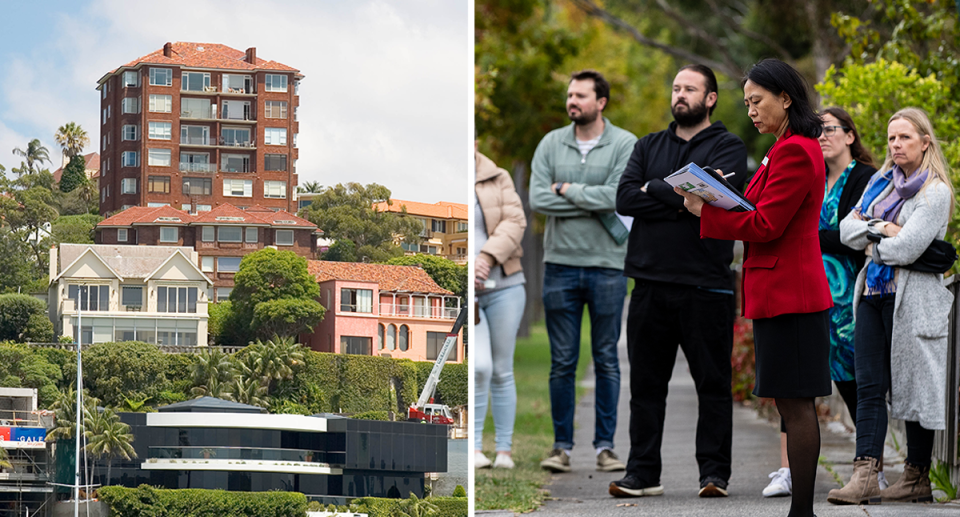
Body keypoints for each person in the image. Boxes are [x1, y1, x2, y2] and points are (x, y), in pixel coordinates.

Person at [674, 58, 834, 517]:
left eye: (757, 101)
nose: (751, 112)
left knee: (796, 405)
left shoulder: (795, 150)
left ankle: (802, 512)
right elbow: (759, 207)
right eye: (746, 103)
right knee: (790, 402)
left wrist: (705, 211)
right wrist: (720, 194)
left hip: (793, 294)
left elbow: (765, 223)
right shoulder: (781, 147)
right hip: (779, 292)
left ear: (785, 97)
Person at [608, 64, 747, 499]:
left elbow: (719, 200)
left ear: (710, 99)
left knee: (713, 385)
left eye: (690, 88)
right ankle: (642, 474)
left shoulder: (728, 146)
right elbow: (625, 196)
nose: (680, 94)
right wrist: (684, 197)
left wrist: (657, 191)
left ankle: (714, 475)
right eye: (676, 88)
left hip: (707, 284)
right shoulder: (648, 145)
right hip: (649, 283)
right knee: (647, 387)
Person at [828, 107, 955, 505]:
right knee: (869, 386)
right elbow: (846, 229)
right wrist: (881, 228)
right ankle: (865, 474)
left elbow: (909, 247)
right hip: (872, 295)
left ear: (925, 142)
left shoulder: (935, 191)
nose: (896, 145)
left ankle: (917, 477)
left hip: (914, 300)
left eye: (905, 138)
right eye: (891, 138)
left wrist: (872, 242)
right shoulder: (880, 183)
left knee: (917, 387)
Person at [763, 107, 880, 498]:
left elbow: (857, 234)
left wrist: (810, 234)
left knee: (850, 380)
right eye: (819, 129)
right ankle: (788, 469)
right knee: (797, 389)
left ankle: (869, 465)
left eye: (831, 129)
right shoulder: (814, 173)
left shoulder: (864, 178)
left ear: (850, 135)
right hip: (807, 290)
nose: (823, 136)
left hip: (845, 298)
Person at [529, 69, 637, 473]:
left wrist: (568, 189)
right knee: (562, 361)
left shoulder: (624, 143)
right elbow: (539, 197)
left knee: (607, 357)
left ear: (601, 102)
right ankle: (561, 447)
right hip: (559, 265)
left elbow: (619, 196)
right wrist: (591, 199)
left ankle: (606, 447)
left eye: (580, 96)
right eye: (569, 95)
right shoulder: (550, 143)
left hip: (609, 266)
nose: (572, 101)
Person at [473, 144, 527, 470]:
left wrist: (487, 257)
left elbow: (515, 220)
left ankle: (504, 451)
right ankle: (476, 447)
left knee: (503, 370)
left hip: (506, 285)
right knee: (480, 368)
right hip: (472, 291)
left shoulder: (497, 176)